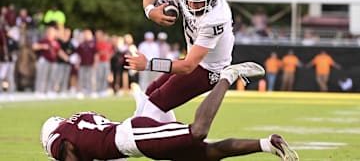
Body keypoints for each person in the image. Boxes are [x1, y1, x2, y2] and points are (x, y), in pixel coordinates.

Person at [40, 62, 299, 161]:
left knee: (198, 132)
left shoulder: (58, 140)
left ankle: (227, 77)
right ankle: (267, 144)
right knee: (206, 154)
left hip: (132, 138)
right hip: (132, 135)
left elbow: (73, 152)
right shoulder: (79, 120)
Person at [125, 0, 234, 122]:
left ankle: (174, 141)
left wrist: (148, 64)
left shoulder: (216, 19)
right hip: (193, 60)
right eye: (189, 1)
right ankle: (135, 133)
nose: (191, 6)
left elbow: (188, 66)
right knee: (148, 95)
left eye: (197, 3)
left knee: (155, 105)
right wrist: (150, 11)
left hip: (209, 70)